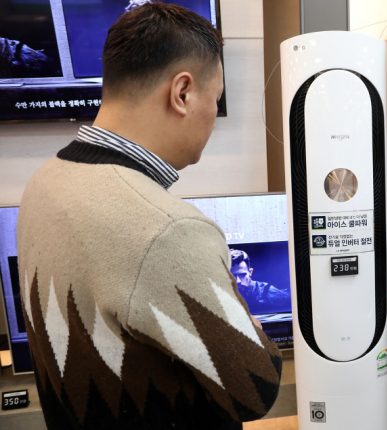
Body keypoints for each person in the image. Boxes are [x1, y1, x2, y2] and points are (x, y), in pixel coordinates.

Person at [17, 5, 281, 430]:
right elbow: (256, 386)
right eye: (215, 99)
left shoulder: (44, 183)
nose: (213, 118)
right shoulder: (167, 229)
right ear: (183, 93)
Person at [230, 249, 290, 314]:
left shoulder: (267, 293)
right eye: (232, 276)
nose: (238, 281)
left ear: (250, 272)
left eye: (242, 275)